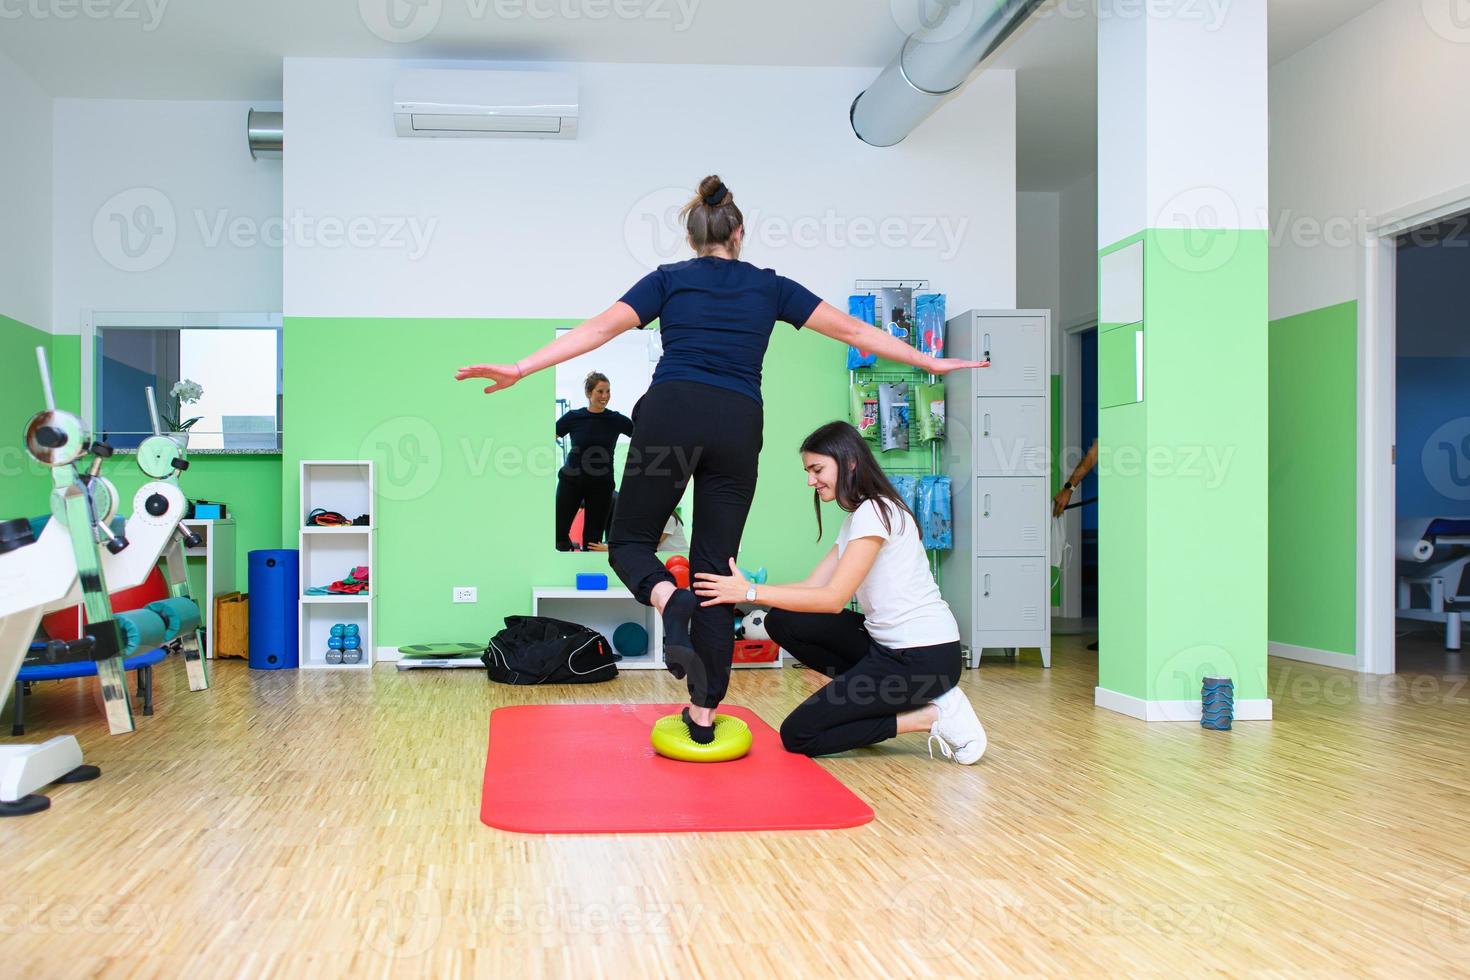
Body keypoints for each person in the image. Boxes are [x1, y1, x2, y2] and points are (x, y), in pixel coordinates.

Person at [455, 175, 987, 745]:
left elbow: (597, 330)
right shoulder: (771, 287)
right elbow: (854, 330)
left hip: (672, 417)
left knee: (630, 543)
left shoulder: (668, 281)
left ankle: (667, 599)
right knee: (716, 572)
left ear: (692, 239)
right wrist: (927, 363)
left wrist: (521, 367)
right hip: (738, 423)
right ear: (739, 232)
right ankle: (703, 718)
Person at [693, 421, 986, 763]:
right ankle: (868, 701)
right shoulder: (858, 518)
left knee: (798, 734)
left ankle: (930, 715)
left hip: (924, 659)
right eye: (807, 471)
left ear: (849, 463)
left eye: (817, 469)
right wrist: (742, 593)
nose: (810, 480)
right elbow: (812, 586)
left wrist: (752, 591)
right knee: (784, 621)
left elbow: (832, 599)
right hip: (887, 649)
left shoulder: (876, 511)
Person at [554, 371, 633, 552]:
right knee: (559, 534)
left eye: (608, 391)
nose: (605, 396)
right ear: (589, 393)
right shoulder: (574, 417)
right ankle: (566, 556)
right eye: (600, 391)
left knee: (593, 542)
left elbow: (640, 434)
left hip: (601, 486)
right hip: (571, 482)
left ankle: (589, 575)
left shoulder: (616, 420)